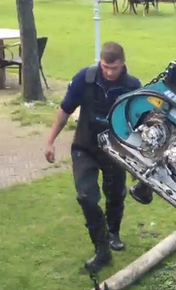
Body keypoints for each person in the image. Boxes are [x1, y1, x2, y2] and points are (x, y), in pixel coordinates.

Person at [45, 42, 143, 273]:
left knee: (115, 194)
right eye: (106, 67)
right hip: (85, 146)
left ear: (123, 65)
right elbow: (65, 110)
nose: (109, 72)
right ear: (101, 62)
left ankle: (113, 232)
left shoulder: (132, 86)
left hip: (116, 149)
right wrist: (49, 141)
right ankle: (101, 249)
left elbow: (141, 122)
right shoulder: (85, 78)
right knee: (86, 196)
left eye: (114, 68)